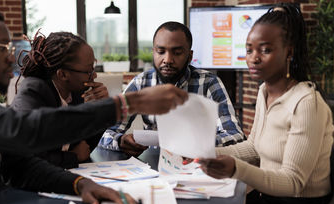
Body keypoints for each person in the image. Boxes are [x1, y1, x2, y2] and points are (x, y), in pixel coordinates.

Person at [0, 2, 188, 204]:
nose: (11, 59)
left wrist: (80, 185)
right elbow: (23, 130)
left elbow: (19, 165)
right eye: (2, 48)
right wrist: (129, 103)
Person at [196, 3, 334, 204]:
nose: (254, 58)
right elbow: (254, 148)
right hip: (267, 200)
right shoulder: (264, 91)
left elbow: (293, 182)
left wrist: (235, 168)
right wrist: (203, 151)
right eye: (249, 50)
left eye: (266, 50)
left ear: (289, 52)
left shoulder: (307, 103)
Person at [99, 21, 244, 156]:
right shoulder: (141, 82)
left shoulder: (209, 83)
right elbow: (105, 132)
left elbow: (235, 135)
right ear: (153, 52)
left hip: (196, 163)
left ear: (189, 56)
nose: (167, 60)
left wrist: (193, 143)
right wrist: (120, 141)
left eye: (177, 53)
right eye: (161, 51)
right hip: (152, 166)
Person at [11, 32, 108, 169]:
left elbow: (85, 148)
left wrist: (101, 110)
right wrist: (72, 157)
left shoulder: (76, 93)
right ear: (62, 74)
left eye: (94, 68)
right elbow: (27, 157)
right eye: (88, 71)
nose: (95, 75)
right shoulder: (33, 92)